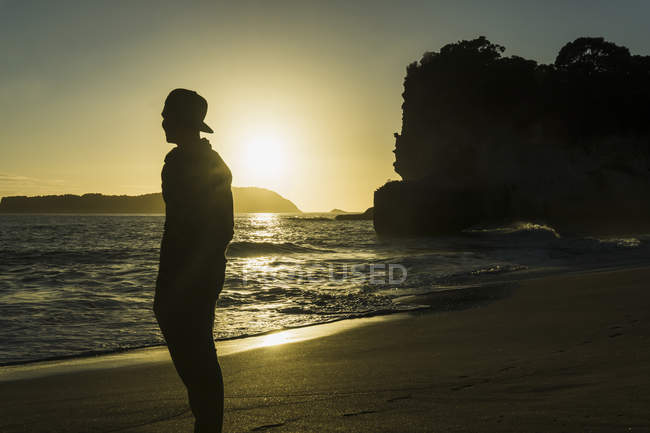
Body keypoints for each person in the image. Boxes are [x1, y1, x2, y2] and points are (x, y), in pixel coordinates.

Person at [154, 88, 233, 433]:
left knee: (197, 349)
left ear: (182, 120)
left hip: (195, 276)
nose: (161, 120)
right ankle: (206, 421)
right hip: (177, 272)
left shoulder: (207, 165)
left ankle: (208, 425)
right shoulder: (178, 161)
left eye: (166, 114)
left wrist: (194, 275)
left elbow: (220, 227)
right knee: (191, 347)